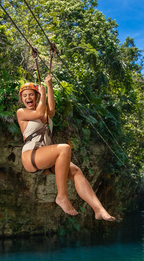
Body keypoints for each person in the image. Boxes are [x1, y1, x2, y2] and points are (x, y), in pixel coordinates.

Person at [17, 75, 115, 221]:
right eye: (25, 96)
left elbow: (51, 110)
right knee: (64, 148)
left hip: (43, 159)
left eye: (31, 94)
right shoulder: (22, 112)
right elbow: (38, 113)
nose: (28, 97)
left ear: (35, 97)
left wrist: (49, 86)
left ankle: (99, 209)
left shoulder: (45, 115)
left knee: (76, 171)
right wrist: (42, 93)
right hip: (31, 156)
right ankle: (62, 196)